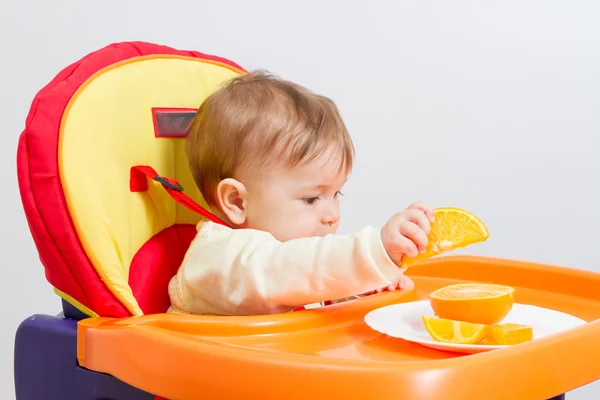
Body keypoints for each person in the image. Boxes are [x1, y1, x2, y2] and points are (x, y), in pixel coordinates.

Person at [168, 71, 434, 316]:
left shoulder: (292, 257)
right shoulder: (218, 260)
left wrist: (365, 287)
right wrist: (374, 252)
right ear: (237, 201)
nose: (332, 216)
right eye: (311, 199)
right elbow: (290, 271)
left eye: (336, 194)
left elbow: (311, 284)